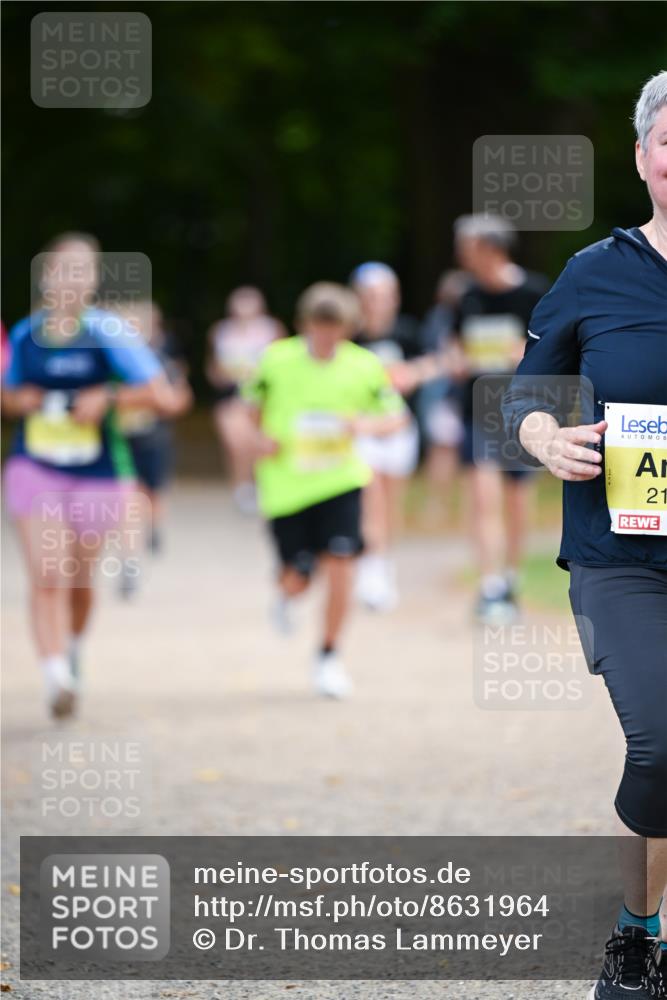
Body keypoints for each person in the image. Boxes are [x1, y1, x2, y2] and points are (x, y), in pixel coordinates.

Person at [504, 71, 667, 999]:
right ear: (643, 157)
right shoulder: (592, 271)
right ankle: (635, 933)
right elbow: (524, 396)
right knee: (660, 744)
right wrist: (542, 437)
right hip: (624, 556)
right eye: (666, 139)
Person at [2, 233, 175, 718]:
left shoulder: (109, 332)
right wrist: (23, 401)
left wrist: (109, 399)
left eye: (82, 271)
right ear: (47, 277)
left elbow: (160, 394)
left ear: (93, 280)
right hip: (34, 466)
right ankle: (54, 673)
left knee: (78, 582)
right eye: (63, 270)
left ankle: (73, 646)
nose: (71, 280)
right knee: (47, 573)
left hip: (96, 473)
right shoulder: (24, 333)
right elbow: (8, 396)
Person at [242, 282, 407, 698]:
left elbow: (395, 419)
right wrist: (260, 439)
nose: (327, 337)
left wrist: (362, 426)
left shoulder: (364, 365)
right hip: (287, 487)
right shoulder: (275, 360)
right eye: (319, 328)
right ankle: (286, 592)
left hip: (341, 481)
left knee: (341, 564)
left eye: (335, 329)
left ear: (348, 328)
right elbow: (249, 409)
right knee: (297, 578)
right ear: (303, 325)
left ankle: (329, 656)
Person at [349, 262, 422, 611]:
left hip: (400, 430)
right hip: (363, 431)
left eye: (385, 295)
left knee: (391, 505)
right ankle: (371, 568)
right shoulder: (350, 336)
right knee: (371, 500)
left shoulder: (407, 332)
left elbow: (434, 362)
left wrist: (414, 373)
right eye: (372, 295)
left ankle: (383, 563)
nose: (379, 302)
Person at [114, 301, 192, 591]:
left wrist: (156, 400)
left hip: (154, 439)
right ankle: (129, 560)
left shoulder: (161, 361)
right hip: (120, 442)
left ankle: (154, 530)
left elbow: (179, 399)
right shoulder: (109, 363)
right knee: (129, 501)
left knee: (154, 493)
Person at [206, 286, 284, 514]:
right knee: (235, 444)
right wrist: (227, 374)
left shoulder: (272, 329)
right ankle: (241, 487)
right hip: (231, 395)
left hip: (261, 396)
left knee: (257, 441)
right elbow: (213, 369)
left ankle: (259, 486)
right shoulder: (220, 331)